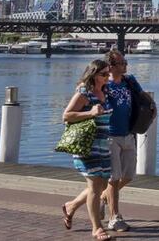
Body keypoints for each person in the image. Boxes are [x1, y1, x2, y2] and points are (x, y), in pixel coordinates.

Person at [61, 59, 113, 241]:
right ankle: (97, 228)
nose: (107, 77)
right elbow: (66, 116)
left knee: (103, 185)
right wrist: (90, 112)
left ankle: (71, 206)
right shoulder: (84, 93)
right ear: (93, 74)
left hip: (104, 147)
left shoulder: (105, 91)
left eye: (108, 73)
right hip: (87, 146)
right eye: (104, 74)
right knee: (94, 187)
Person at [99, 48, 144, 232]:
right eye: (122, 63)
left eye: (126, 62)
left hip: (128, 134)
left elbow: (142, 95)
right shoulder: (103, 84)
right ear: (110, 66)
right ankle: (114, 218)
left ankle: (103, 197)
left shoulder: (129, 81)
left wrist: (152, 105)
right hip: (110, 136)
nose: (126, 65)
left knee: (128, 176)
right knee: (114, 178)